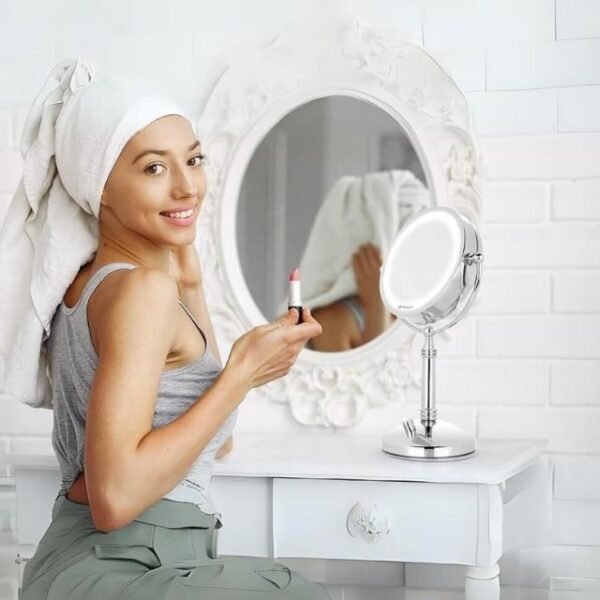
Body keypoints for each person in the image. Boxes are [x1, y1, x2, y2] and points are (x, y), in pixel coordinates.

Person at [15, 59, 327, 599]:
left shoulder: (98, 284)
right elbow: (113, 498)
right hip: (120, 562)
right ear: (102, 186)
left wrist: (193, 284)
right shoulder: (140, 291)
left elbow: (211, 447)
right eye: (154, 168)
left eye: (194, 159)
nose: (187, 186)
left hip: (115, 561)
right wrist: (240, 376)